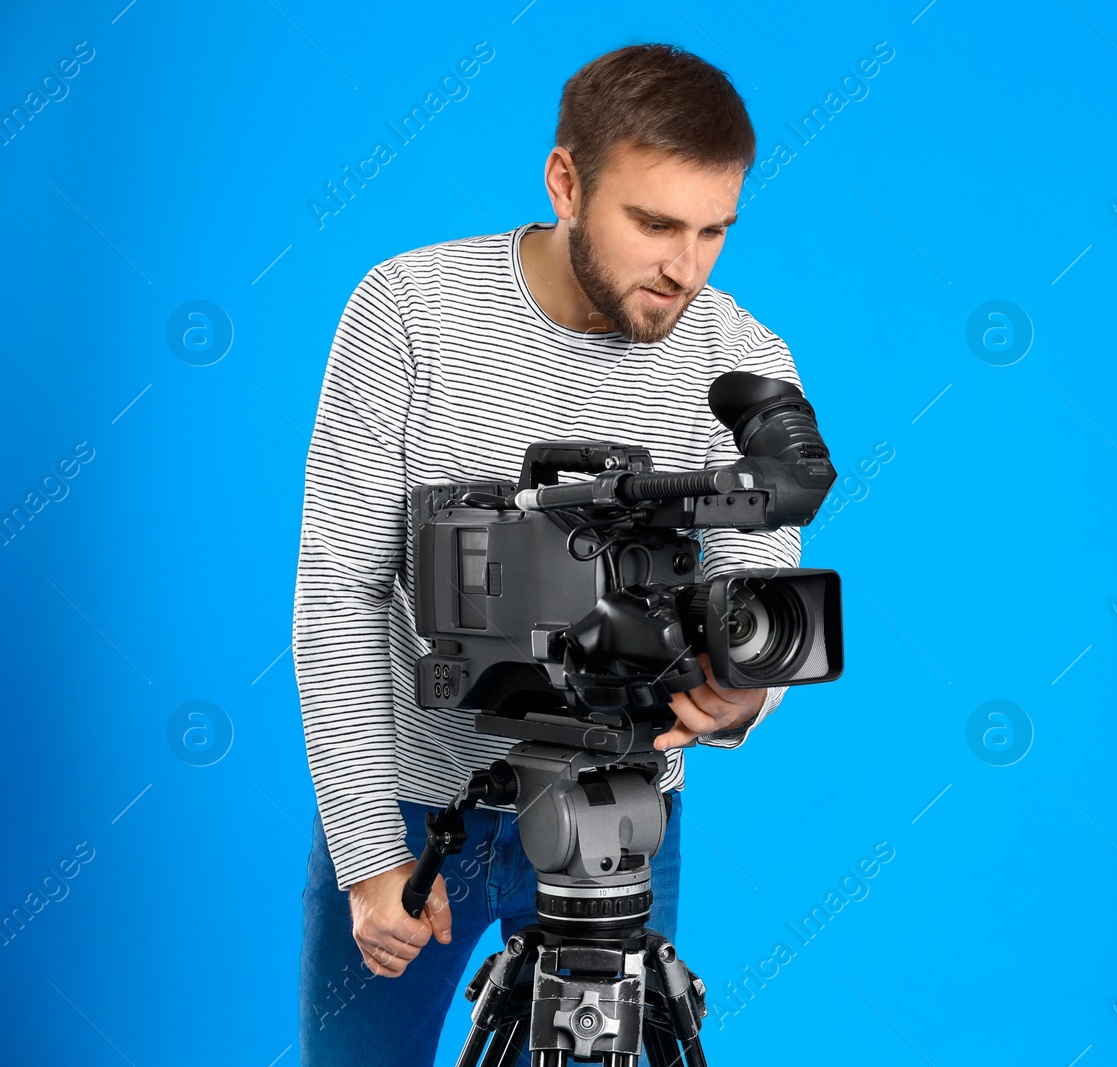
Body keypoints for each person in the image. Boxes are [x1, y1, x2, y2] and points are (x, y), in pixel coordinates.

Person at [291, 43, 806, 1066]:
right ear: (564, 180)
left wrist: (746, 694)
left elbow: (759, 578)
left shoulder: (740, 357)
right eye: (654, 223)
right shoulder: (410, 311)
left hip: (617, 812)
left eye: (714, 231)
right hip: (412, 804)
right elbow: (339, 589)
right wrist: (364, 850)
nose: (684, 268)